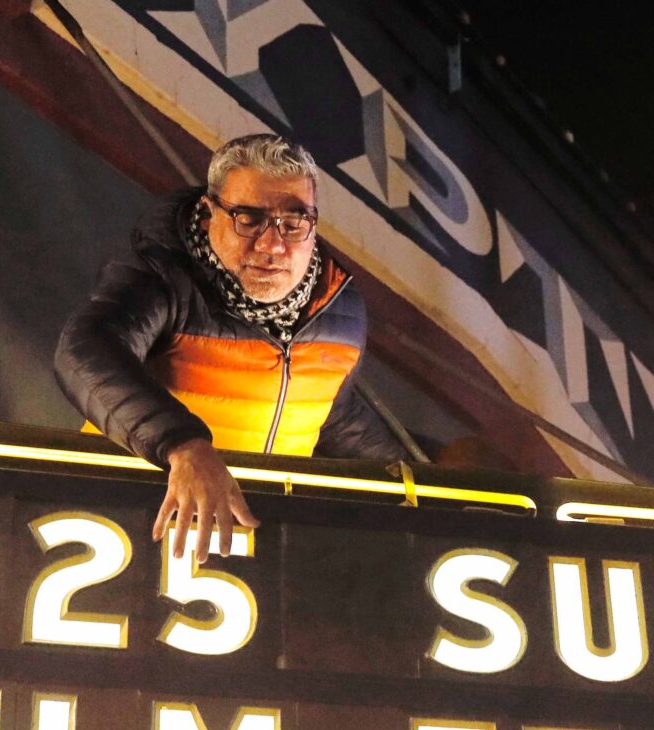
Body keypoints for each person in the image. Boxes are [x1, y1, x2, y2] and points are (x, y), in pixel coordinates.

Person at [56, 134, 404, 562]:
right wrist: (183, 446)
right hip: (128, 527)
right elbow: (84, 350)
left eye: (292, 223)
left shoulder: (341, 308)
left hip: (258, 548)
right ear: (208, 214)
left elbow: (335, 416)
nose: (272, 244)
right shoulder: (163, 275)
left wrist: (427, 481)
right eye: (248, 219)